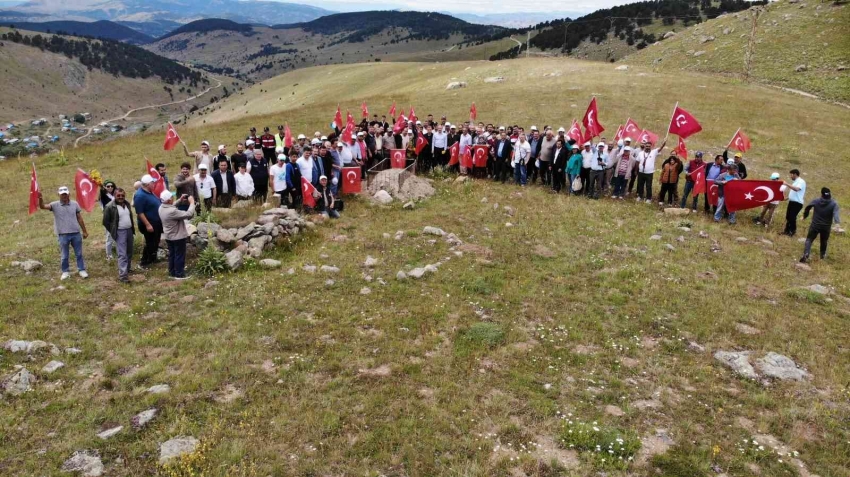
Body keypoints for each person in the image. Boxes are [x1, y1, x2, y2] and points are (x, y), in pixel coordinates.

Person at [38, 186, 88, 280]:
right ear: (59, 195)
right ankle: (65, 272)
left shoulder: (74, 204)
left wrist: (84, 231)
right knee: (64, 255)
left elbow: (79, 218)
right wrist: (40, 198)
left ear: (69, 194)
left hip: (76, 233)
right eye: (62, 194)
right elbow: (42, 206)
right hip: (63, 234)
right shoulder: (54, 205)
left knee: (79, 253)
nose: (64, 196)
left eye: (65, 194)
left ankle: (81, 270)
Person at [158, 190, 195, 279]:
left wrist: (180, 200)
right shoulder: (172, 211)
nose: (173, 198)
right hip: (177, 237)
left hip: (169, 236)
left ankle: (172, 272)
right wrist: (192, 202)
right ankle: (179, 274)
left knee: (172, 254)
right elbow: (188, 214)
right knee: (179, 255)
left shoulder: (161, 207)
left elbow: (172, 206)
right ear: (168, 200)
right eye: (171, 197)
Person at [102, 187, 135, 283]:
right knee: (122, 254)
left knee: (129, 251)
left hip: (129, 230)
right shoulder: (109, 206)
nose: (121, 197)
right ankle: (123, 276)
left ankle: (127, 269)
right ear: (114, 195)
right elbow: (105, 222)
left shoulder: (127, 204)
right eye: (118, 195)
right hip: (120, 232)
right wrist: (113, 231)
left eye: (123, 195)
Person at [800, 188, 840, 263]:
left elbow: (808, 207)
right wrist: (837, 223)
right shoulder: (834, 203)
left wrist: (805, 216)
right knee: (824, 240)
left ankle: (806, 254)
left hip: (815, 225)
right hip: (826, 227)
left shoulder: (816, 201)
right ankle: (822, 256)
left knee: (809, 239)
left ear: (821, 194)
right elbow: (836, 214)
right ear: (830, 194)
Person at [134, 175, 163, 269]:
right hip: (149, 223)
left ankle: (152, 258)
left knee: (155, 241)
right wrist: (148, 224)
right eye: (152, 183)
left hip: (156, 222)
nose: (154, 184)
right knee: (150, 242)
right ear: (147, 184)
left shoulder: (149, 192)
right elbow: (140, 212)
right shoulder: (140, 195)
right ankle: (145, 262)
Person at [634, 139, 667, 203]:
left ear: (651, 147)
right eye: (647, 146)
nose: (648, 147)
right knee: (640, 185)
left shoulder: (653, 152)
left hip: (649, 173)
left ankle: (649, 198)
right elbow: (637, 162)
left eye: (649, 146)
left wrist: (663, 144)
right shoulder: (640, 153)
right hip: (641, 172)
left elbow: (660, 149)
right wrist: (636, 170)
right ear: (644, 146)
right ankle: (640, 196)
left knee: (648, 186)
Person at [782, 169, 806, 237]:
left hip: (797, 203)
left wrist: (786, 184)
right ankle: (786, 231)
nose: (790, 176)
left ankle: (792, 231)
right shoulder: (795, 182)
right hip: (792, 202)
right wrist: (786, 198)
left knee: (792, 217)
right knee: (788, 217)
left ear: (795, 174)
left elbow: (796, 189)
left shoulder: (801, 181)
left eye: (791, 174)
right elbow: (793, 193)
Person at [99, 179, 117, 260]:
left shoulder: (116, 195)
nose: (110, 187)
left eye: (111, 186)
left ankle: (118, 251)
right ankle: (108, 255)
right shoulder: (103, 196)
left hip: (117, 217)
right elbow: (102, 191)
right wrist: (100, 185)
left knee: (118, 236)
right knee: (109, 237)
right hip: (108, 219)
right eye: (108, 186)